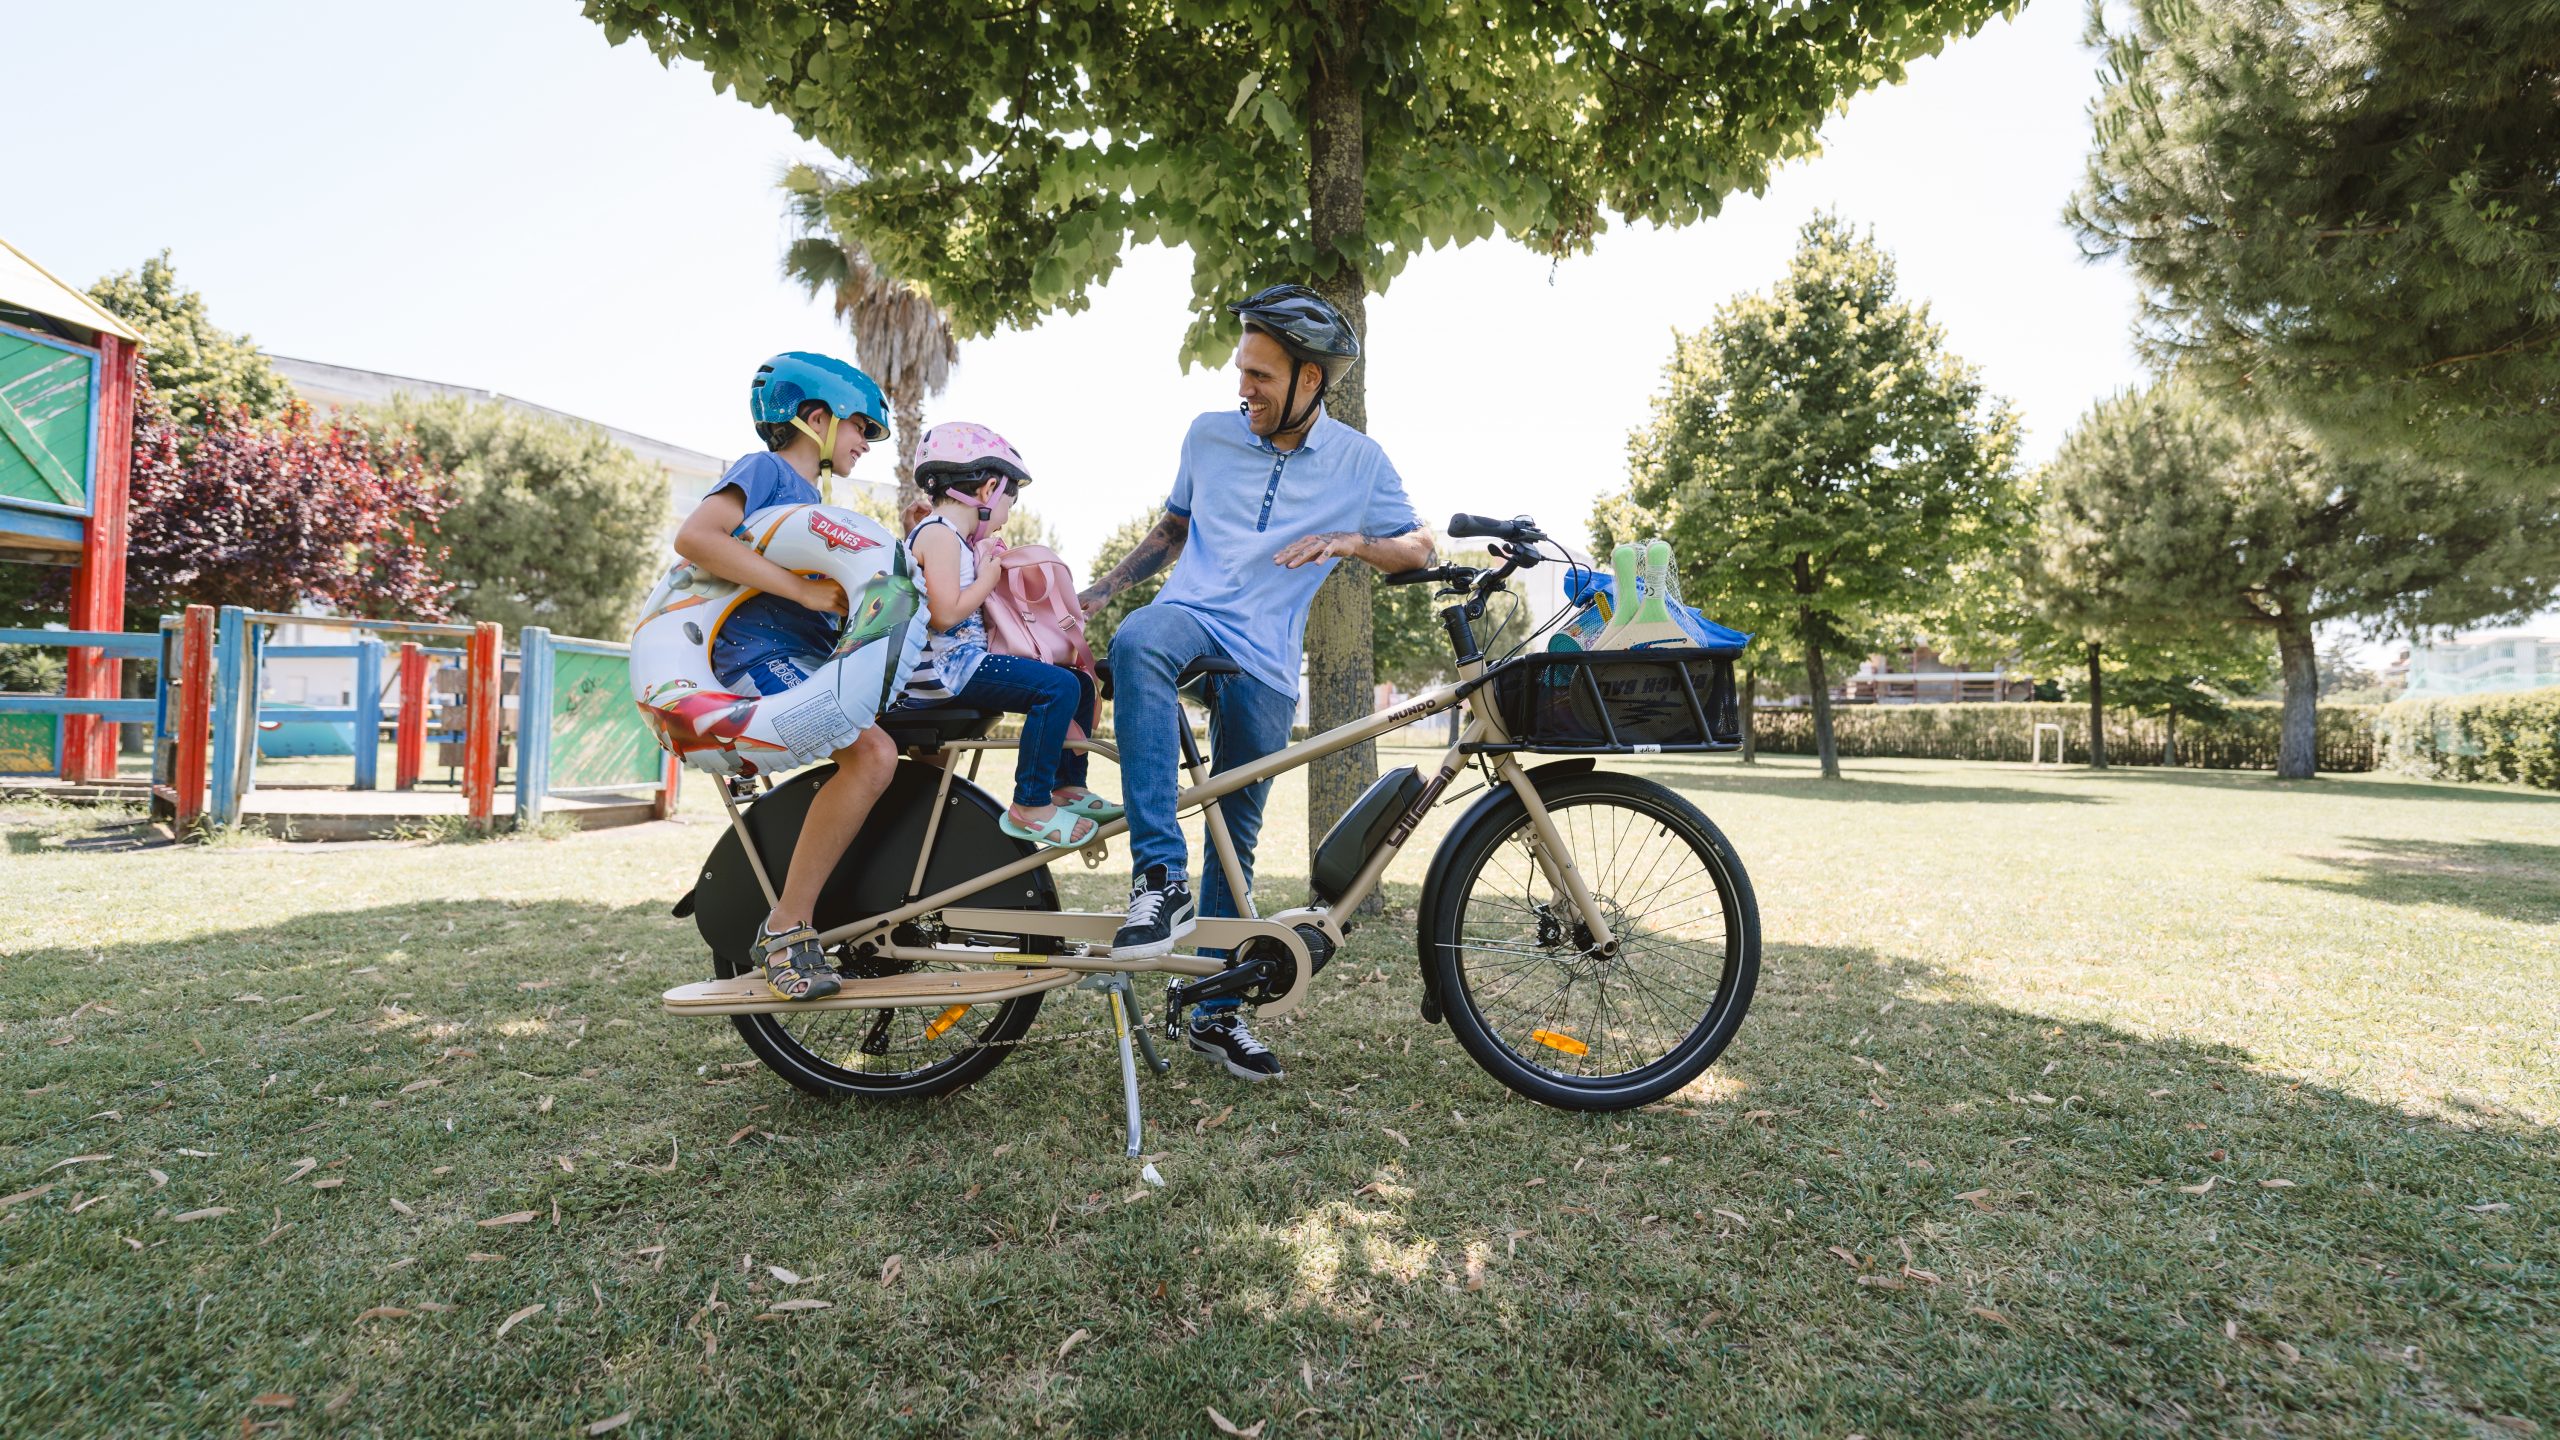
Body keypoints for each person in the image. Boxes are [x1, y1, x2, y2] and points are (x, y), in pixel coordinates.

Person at [1078, 284, 1435, 1082]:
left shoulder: (1358, 461)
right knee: (1139, 640)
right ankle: (1157, 879)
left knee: (1235, 840)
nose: (1244, 389)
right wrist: (1103, 590)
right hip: (1192, 616)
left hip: (1268, 660)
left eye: (1263, 377)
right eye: (1242, 370)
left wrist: (1350, 541)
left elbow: (1419, 547)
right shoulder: (1209, 434)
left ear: (1312, 381)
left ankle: (1214, 1013)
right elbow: (1174, 527)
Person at [671, 352, 898, 1002]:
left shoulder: (812, 500)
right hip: (750, 655)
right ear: (814, 418)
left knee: (899, 744)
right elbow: (698, 536)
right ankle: (786, 926)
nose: (865, 442)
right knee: (873, 753)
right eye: (860, 427)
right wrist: (800, 592)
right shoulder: (764, 469)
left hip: (796, 654)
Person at [898, 422, 1121, 846]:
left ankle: (1065, 787)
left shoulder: (953, 540)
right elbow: (944, 615)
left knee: (1077, 682)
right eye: (1008, 506)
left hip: (963, 665)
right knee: (1055, 688)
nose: (1004, 520)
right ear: (988, 492)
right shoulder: (939, 536)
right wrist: (987, 578)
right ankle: (1030, 803)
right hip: (948, 672)